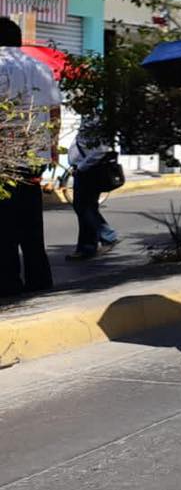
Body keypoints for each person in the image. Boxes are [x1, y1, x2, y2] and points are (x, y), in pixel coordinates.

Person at [0, 17, 61, 297]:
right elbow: (54, 113)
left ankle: (9, 281)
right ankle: (40, 278)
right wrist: (52, 150)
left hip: (4, 158)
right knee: (31, 221)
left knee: (4, 224)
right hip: (33, 156)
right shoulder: (41, 67)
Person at [65, 115, 121, 261]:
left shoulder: (95, 121)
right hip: (82, 170)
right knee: (85, 208)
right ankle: (87, 246)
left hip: (89, 171)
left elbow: (100, 149)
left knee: (84, 208)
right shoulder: (87, 119)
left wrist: (82, 166)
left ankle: (102, 239)